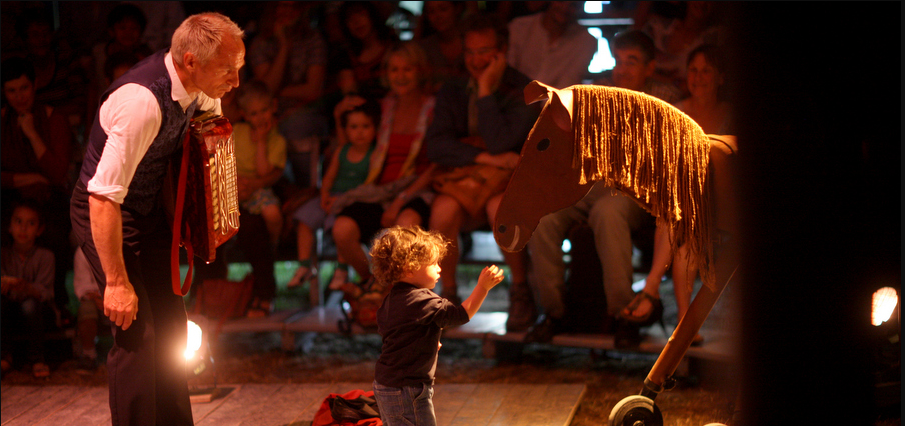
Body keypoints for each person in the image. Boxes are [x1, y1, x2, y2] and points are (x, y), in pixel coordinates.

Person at [69, 12, 244, 425]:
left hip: (147, 209)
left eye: (238, 69)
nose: (235, 82)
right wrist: (115, 283)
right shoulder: (141, 102)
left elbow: (205, 153)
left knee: (170, 330)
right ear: (190, 61)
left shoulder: (200, 91)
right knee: (138, 335)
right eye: (227, 70)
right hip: (109, 213)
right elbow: (101, 197)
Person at [525, 29, 679, 347]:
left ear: (650, 68)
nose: (621, 69)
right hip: (591, 183)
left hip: (638, 191)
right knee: (542, 217)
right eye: (618, 61)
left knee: (608, 214)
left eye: (632, 62)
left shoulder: (666, 99)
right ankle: (553, 313)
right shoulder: (600, 93)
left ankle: (624, 315)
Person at [424, 12, 541, 330]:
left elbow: (502, 140)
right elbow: (435, 144)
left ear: (501, 50)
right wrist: (484, 157)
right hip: (467, 179)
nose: (476, 60)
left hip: (507, 183)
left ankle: (520, 289)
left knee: (499, 211)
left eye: (484, 51)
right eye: (470, 52)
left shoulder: (523, 89)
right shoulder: (454, 88)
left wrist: (487, 89)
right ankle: (446, 295)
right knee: (442, 212)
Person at [624, 44, 734, 345]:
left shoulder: (730, 116)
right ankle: (687, 325)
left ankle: (650, 289)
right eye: (693, 70)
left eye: (706, 71)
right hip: (683, 208)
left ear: (720, 77)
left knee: (673, 216)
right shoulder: (678, 113)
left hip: (719, 205)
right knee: (682, 243)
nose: (698, 77)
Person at [370, 225, 505, 426]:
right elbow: (460, 314)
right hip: (407, 389)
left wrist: (423, 343)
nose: (439, 268)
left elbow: (393, 333)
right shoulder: (422, 300)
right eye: (433, 263)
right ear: (409, 267)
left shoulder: (392, 299)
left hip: (386, 384)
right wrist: (482, 288)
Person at [330, 41, 438, 288]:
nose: (400, 76)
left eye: (407, 69)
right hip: (381, 189)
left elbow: (436, 164)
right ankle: (373, 284)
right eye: (394, 70)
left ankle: (404, 295)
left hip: (417, 188)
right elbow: (352, 148)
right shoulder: (384, 107)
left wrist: (401, 199)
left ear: (420, 71)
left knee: (405, 226)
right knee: (342, 228)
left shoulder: (433, 108)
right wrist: (339, 117)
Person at [1, 56, 74, 317]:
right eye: (11, 90)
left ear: (33, 86)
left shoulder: (53, 118)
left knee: (54, 233)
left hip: (48, 198)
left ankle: (56, 304)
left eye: (24, 88)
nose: (19, 96)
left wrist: (32, 134)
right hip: (10, 198)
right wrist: (30, 178)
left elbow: (57, 173)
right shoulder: (2, 122)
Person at [287, 101, 379, 299]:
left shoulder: (374, 155)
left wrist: (340, 201)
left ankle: (342, 269)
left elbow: (369, 186)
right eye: (354, 127)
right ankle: (305, 266)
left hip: (351, 202)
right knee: (304, 219)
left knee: (340, 228)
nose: (360, 132)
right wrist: (324, 197)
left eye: (366, 126)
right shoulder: (342, 152)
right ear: (346, 130)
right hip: (331, 198)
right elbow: (328, 178)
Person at [248, 1, 329, 190]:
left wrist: (276, 91)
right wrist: (284, 46)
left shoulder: (313, 39)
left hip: (306, 111)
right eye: (282, 5)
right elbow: (265, 90)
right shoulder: (261, 42)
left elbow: (312, 90)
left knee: (295, 126)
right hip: (269, 111)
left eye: (293, 6)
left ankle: (303, 190)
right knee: (256, 125)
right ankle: (272, 192)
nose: (287, 11)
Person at [1, 200, 56, 378]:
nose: (23, 229)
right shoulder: (3, 255)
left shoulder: (45, 256)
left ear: (39, 229)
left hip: (38, 312)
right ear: (9, 226)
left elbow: (46, 291)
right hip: (9, 308)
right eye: (18, 222)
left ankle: (37, 358)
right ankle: (4, 355)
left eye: (30, 223)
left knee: (30, 305)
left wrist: (26, 287)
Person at [506, 1, 598, 88]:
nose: (565, 8)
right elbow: (508, 74)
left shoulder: (586, 41)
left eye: (573, 5)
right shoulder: (519, 27)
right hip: (512, 101)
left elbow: (568, 84)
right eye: (561, 1)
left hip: (553, 103)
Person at [416, 1, 468, 93]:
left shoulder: (473, 42)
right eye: (431, 11)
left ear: (457, 9)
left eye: (443, 9)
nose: (438, 16)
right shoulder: (424, 48)